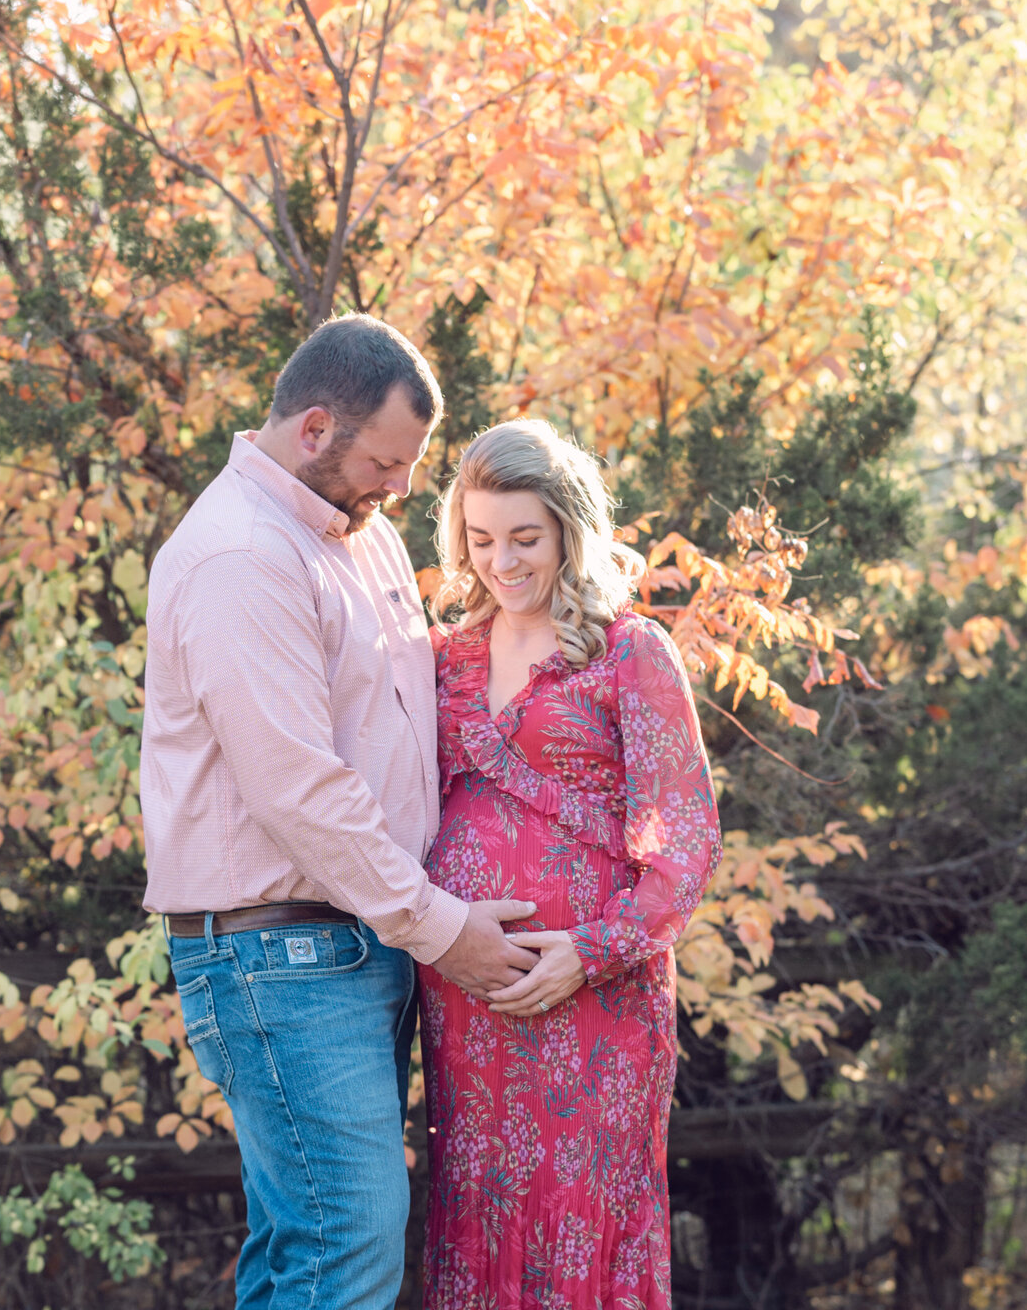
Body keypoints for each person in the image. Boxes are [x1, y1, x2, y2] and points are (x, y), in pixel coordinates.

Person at [141, 314, 536, 1310]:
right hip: (281, 959)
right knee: (345, 1248)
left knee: (313, 1249)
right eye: (384, 461)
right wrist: (445, 932)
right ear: (315, 426)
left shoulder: (364, 541)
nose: (400, 487)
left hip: (361, 945)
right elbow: (299, 790)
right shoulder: (239, 555)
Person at [419, 418, 724, 1310]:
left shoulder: (631, 651)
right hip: (468, 996)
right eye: (479, 540)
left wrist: (589, 951)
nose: (501, 562)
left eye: (525, 538)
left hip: (599, 999)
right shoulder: (446, 658)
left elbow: (686, 841)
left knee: (582, 1213)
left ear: (566, 530)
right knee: (479, 1205)